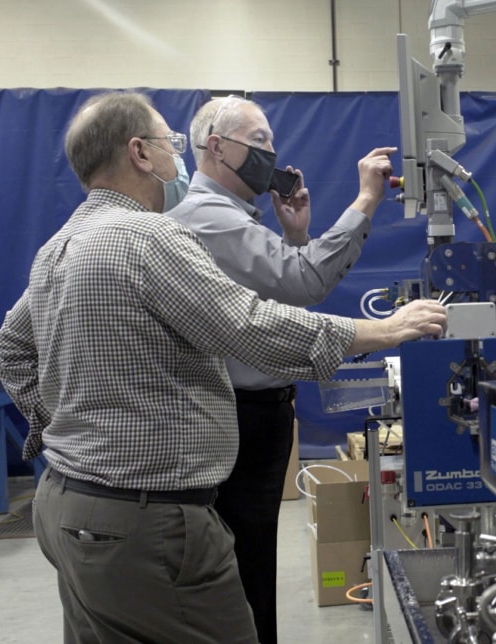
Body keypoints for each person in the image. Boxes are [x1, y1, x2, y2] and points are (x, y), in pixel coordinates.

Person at [0, 91, 445, 644]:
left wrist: (62, 428)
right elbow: (248, 325)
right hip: (144, 519)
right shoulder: (149, 237)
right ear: (139, 153)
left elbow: (11, 349)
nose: (175, 159)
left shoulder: (59, 245)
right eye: (170, 144)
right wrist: (384, 329)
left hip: (65, 504)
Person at [166, 95, 390, 643]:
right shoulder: (208, 218)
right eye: (259, 142)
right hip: (239, 417)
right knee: (245, 562)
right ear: (216, 148)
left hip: (255, 414)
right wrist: (365, 200)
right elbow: (304, 282)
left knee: (253, 553)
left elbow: (280, 301)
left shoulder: (234, 219)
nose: (272, 153)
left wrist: (294, 237)